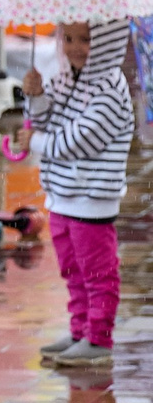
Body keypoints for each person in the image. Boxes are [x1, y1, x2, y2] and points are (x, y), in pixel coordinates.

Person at [29, 20, 139, 367]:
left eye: (87, 40)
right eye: (70, 38)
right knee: (73, 271)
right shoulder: (68, 78)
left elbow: (77, 142)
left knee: (97, 273)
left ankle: (98, 337)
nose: (76, 47)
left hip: (91, 198)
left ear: (107, 42)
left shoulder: (109, 88)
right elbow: (48, 122)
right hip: (63, 194)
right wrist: (35, 97)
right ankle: (80, 330)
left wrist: (34, 143)